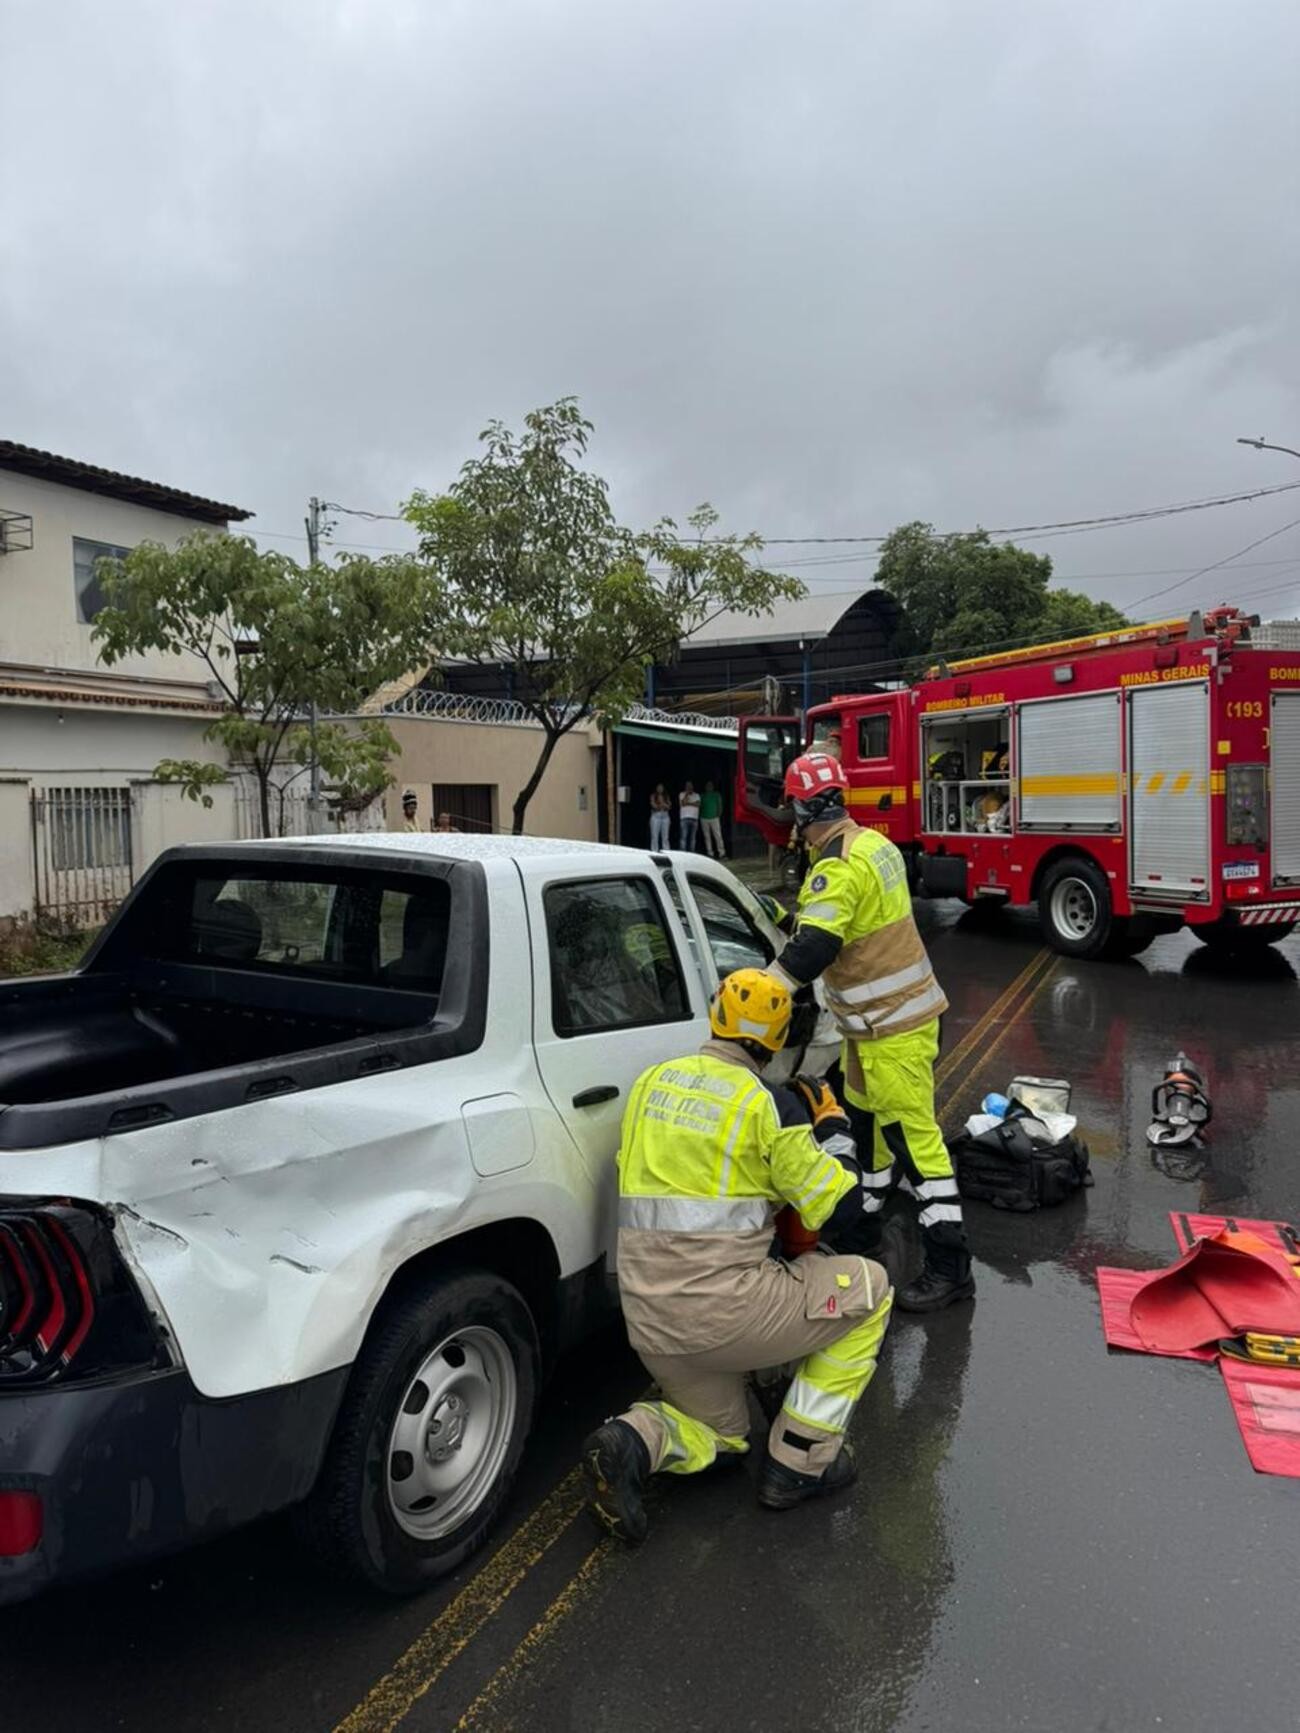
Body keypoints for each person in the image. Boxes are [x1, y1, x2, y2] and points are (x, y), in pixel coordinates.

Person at [582, 967, 894, 1543]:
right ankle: (799, 1463)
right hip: (724, 1316)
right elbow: (844, 1212)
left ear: (715, 1015)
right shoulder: (769, 1106)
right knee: (870, 1289)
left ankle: (631, 1440)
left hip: (648, 1320)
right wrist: (834, 1130)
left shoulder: (652, 1082)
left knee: (723, 1435)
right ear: (777, 1039)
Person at [769, 750, 974, 1313]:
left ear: (802, 808)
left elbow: (816, 948)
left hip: (891, 1026)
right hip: (883, 1023)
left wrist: (763, 989)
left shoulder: (835, 865)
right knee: (867, 1123)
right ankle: (869, 1216)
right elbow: (850, 922)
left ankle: (951, 1267)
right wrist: (786, 916)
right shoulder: (874, 845)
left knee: (916, 1145)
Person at [699, 779, 726, 858]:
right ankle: (710, 853)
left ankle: (722, 853)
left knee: (718, 836)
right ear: (705, 787)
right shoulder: (702, 795)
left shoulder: (716, 794)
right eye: (707, 786)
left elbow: (720, 805)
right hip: (704, 818)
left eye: (710, 786)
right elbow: (699, 806)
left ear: (713, 787)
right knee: (707, 837)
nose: (709, 787)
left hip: (714, 818)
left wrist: (718, 814)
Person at [678, 781, 701, 851]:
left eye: (690, 786)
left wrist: (688, 803)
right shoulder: (682, 794)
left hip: (694, 818)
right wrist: (687, 795)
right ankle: (683, 852)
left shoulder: (697, 795)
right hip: (684, 818)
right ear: (685, 787)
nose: (689, 787)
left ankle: (692, 852)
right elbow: (682, 804)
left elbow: (698, 805)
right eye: (687, 786)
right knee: (683, 837)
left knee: (693, 838)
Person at [649, 784, 671, 851]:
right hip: (656, 816)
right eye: (659, 787)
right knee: (654, 836)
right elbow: (654, 806)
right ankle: (654, 850)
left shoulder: (666, 796)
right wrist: (662, 805)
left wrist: (663, 804)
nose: (660, 789)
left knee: (665, 836)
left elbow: (669, 806)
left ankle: (666, 850)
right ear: (656, 788)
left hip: (665, 816)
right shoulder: (653, 796)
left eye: (661, 787)